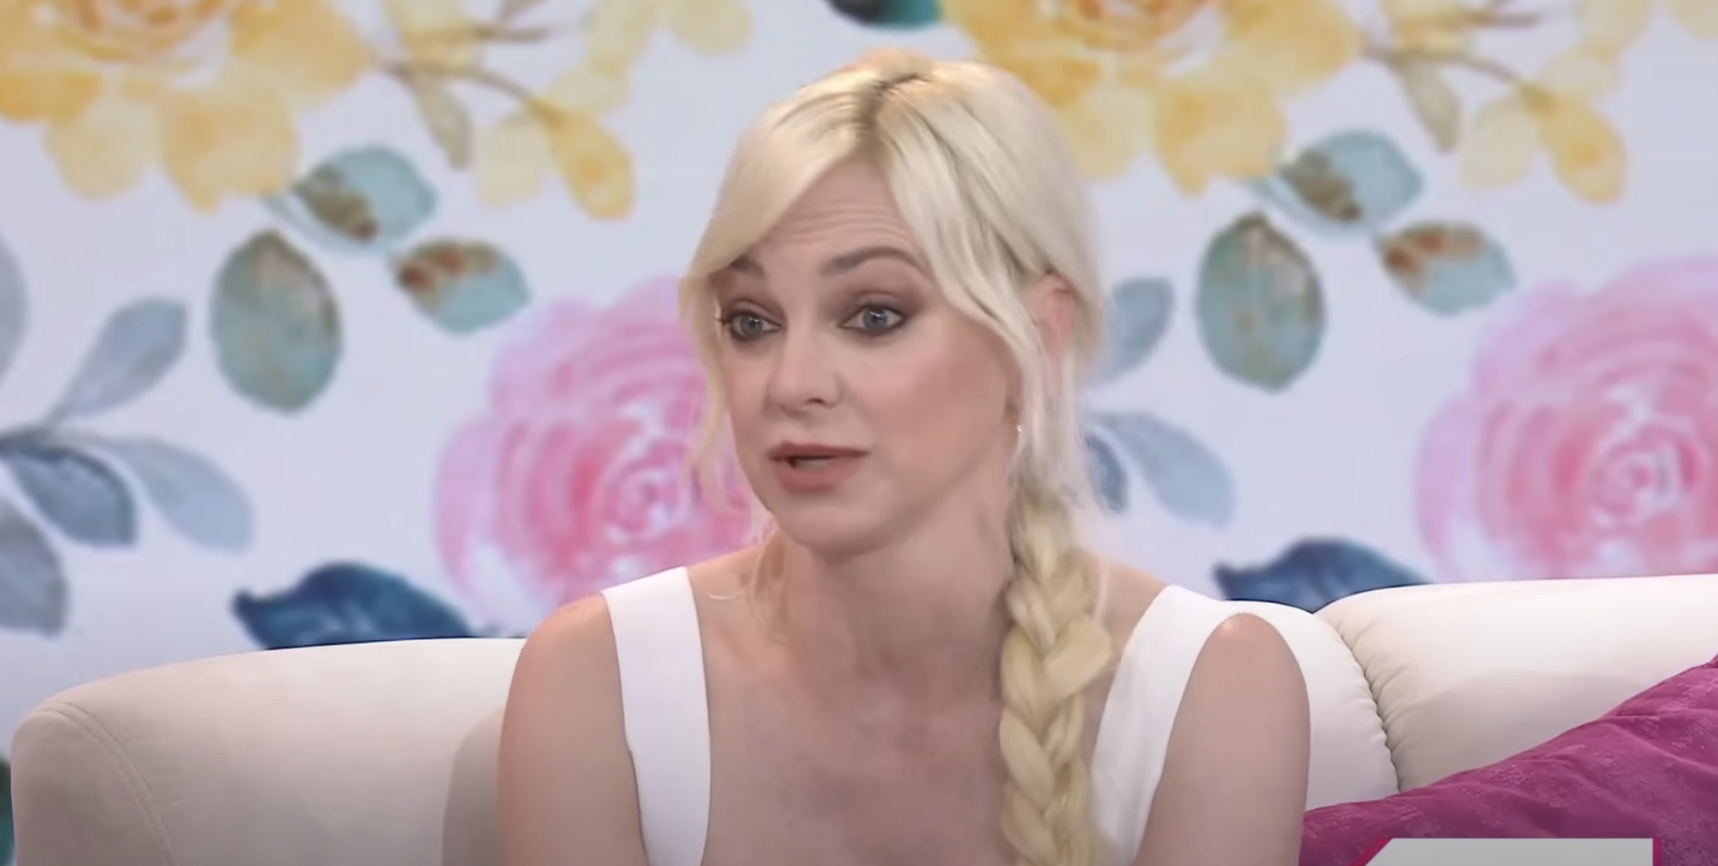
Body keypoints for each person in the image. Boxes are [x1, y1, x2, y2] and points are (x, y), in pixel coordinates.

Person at [498, 48, 1311, 866]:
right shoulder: (596, 685)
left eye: (875, 315)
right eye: (752, 320)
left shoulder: (1210, 690)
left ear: (1037, 338)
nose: (793, 383)